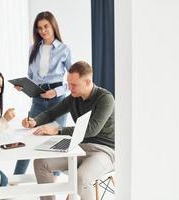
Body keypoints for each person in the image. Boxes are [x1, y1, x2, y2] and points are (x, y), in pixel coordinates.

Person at [22, 61, 115, 200]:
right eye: (69, 83)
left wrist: (58, 131)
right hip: (79, 147)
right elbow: (51, 113)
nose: (69, 88)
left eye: (74, 84)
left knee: (81, 178)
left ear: (88, 82)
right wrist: (35, 121)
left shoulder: (105, 98)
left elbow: (92, 129)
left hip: (104, 151)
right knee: (40, 163)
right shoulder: (73, 98)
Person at [14, 11, 72, 175]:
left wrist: (56, 92)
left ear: (53, 26)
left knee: (56, 140)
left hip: (58, 100)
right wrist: (23, 86)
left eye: (46, 26)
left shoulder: (64, 49)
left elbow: (73, 80)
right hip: (38, 99)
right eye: (39, 28)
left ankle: (53, 181)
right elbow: (31, 76)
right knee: (28, 137)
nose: (43, 31)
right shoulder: (33, 48)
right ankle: (17, 178)